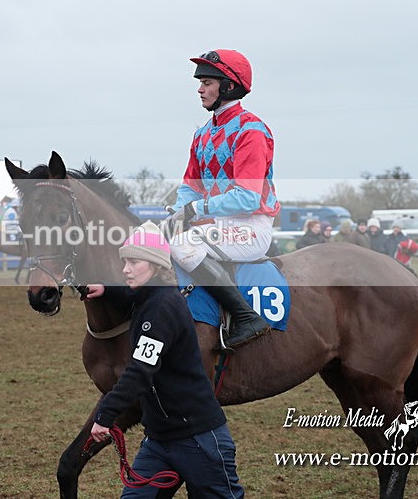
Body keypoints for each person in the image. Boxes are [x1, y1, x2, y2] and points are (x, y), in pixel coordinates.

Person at [85, 221, 245, 498]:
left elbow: (140, 371)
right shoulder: (148, 296)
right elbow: (131, 296)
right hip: (158, 443)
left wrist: (106, 414)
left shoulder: (162, 308)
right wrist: (107, 289)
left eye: (134, 262)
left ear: (156, 266)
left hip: (200, 441)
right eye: (124, 262)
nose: (125, 269)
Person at [165, 48, 277, 348]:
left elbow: (247, 198)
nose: (200, 89)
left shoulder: (251, 131)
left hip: (250, 227)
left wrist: (195, 209)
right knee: (154, 238)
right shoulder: (202, 134)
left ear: (228, 86)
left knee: (183, 243)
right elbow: (190, 186)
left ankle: (247, 317)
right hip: (216, 226)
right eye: (200, 83)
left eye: (207, 83)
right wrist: (176, 213)